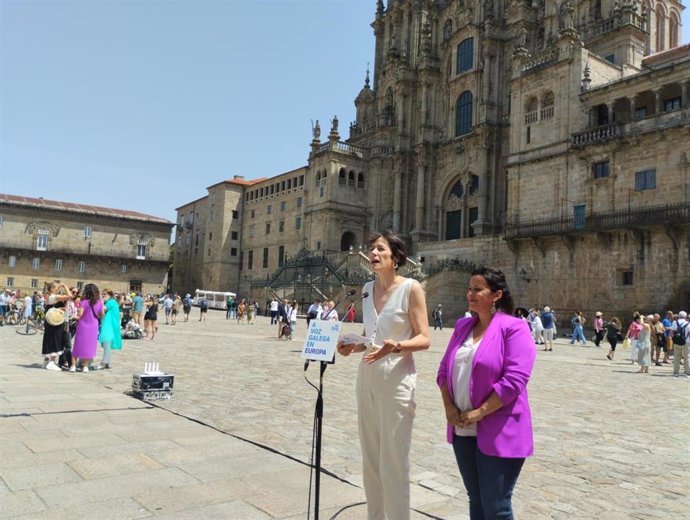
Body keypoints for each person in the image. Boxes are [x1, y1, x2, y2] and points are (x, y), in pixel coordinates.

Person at [337, 231, 431, 520]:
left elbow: (424, 338)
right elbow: (371, 337)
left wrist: (398, 346)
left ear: (396, 257)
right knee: (371, 459)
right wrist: (351, 347)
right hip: (367, 376)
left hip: (397, 379)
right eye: (371, 249)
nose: (373, 254)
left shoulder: (411, 288)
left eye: (380, 249)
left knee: (393, 460)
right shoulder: (366, 288)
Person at [437, 266, 536, 520]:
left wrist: (480, 412)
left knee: (496, 506)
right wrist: (449, 407)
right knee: (476, 500)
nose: (470, 293)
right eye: (469, 288)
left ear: (496, 295)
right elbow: (444, 370)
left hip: (500, 428)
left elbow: (515, 380)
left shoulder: (514, 328)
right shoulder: (462, 327)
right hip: (463, 429)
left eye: (478, 289)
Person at [70, 284, 104, 372]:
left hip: (83, 325)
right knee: (90, 345)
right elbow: (102, 315)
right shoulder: (100, 302)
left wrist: (74, 316)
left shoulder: (84, 302)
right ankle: (85, 366)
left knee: (78, 345)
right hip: (93, 325)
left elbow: (80, 314)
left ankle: (73, 366)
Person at [42, 282, 72, 371]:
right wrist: (65, 286)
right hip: (55, 322)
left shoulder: (49, 296)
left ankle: (46, 361)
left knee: (49, 339)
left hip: (49, 321)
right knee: (56, 339)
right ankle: (51, 362)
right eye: (57, 287)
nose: (58, 288)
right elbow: (70, 296)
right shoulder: (54, 296)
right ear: (52, 289)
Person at [97, 289, 122, 369]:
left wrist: (101, 301)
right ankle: (106, 362)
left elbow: (102, 309)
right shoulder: (111, 302)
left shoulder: (111, 302)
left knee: (107, 344)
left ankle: (104, 363)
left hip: (109, 325)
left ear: (110, 295)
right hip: (109, 325)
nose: (103, 295)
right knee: (106, 344)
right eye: (102, 294)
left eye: (105, 294)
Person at [671, 311, 690, 378]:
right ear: (686, 316)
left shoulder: (674, 322)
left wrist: (674, 339)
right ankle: (688, 373)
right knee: (687, 357)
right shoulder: (688, 323)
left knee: (676, 357)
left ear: (679, 316)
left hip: (677, 342)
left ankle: (676, 372)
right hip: (686, 341)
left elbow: (672, 332)